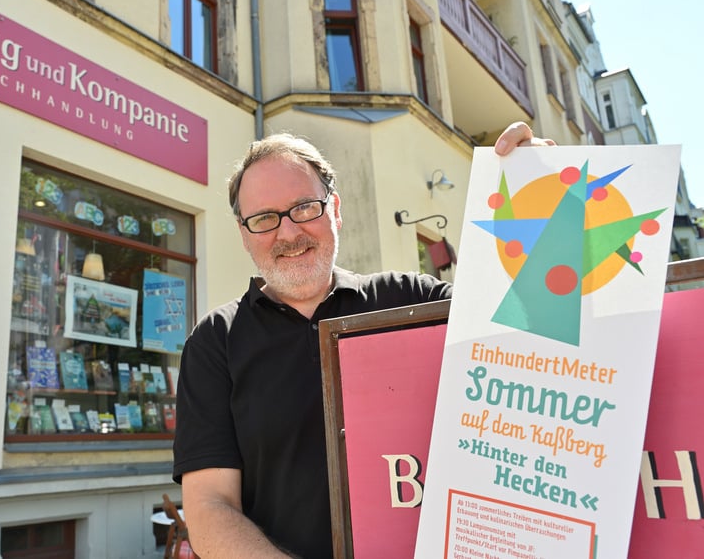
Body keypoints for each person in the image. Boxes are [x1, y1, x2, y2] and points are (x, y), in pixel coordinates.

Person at [172, 122, 551, 558]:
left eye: (304, 208)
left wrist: (538, 199)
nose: (288, 233)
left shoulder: (413, 302)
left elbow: (526, 326)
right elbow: (208, 508)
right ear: (244, 233)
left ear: (334, 208)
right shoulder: (215, 342)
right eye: (264, 219)